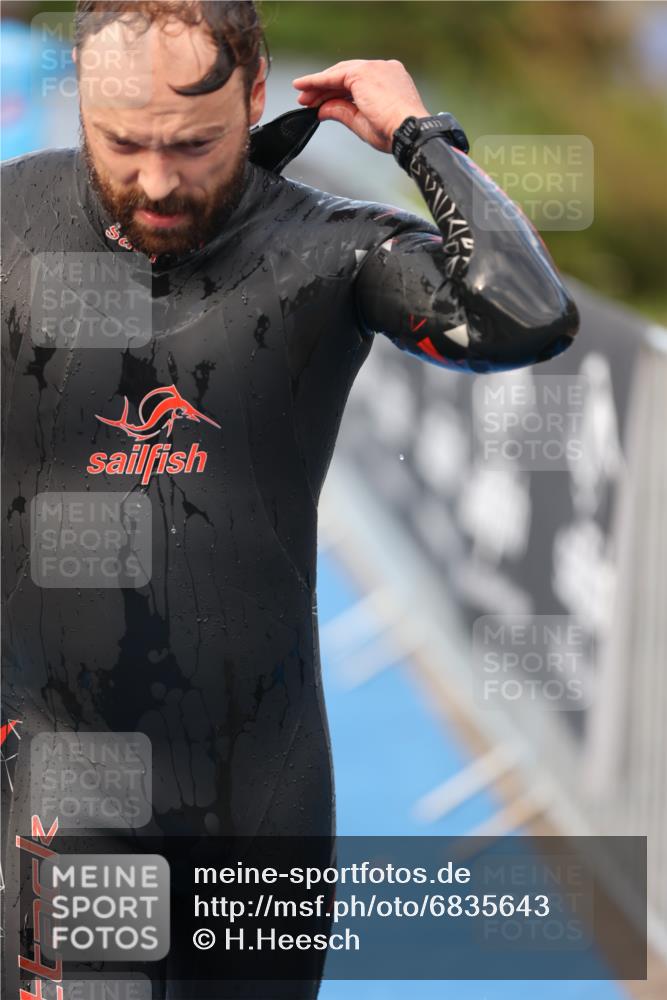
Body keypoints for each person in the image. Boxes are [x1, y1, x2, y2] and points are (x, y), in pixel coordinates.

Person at [1, 2, 579, 998]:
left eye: (192, 144)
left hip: (260, 792)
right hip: (59, 775)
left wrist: (418, 136)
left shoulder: (329, 246)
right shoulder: (9, 222)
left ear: (256, 94)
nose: (154, 180)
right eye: (121, 142)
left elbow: (522, 314)